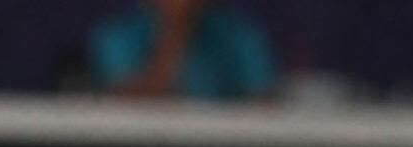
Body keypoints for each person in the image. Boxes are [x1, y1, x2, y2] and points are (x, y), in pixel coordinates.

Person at [85, 0, 277, 101]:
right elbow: (124, 106)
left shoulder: (239, 35)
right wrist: (176, 31)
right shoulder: (117, 37)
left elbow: (264, 106)